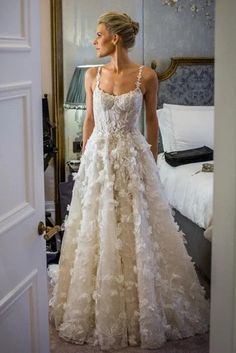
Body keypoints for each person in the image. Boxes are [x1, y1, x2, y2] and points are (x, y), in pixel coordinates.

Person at [51, 11, 210, 351]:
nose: (94, 41)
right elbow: (90, 122)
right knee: (99, 225)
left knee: (137, 227)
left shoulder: (147, 77)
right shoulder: (93, 76)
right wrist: (85, 168)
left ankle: (143, 301)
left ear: (115, 38)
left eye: (98, 35)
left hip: (133, 157)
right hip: (99, 160)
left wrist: (151, 165)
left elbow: (152, 124)